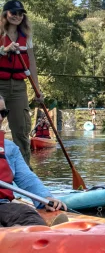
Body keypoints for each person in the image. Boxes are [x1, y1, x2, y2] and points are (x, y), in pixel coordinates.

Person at [0, 94, 67, 226]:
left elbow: (27, 178)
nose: (0, 118)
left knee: (28, 216)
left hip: (3, 206)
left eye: (3, 113)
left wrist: (45, 197)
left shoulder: (10, 148)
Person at [0, 0, 44, 164]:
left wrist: (37, 91)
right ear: (5, 14)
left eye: (20, 14)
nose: (17, 16)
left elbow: (31, 63)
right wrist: (4, 50)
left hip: (18, 87)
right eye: (13, 12)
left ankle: (24, 170)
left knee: (21, 131)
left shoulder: (26, 36)